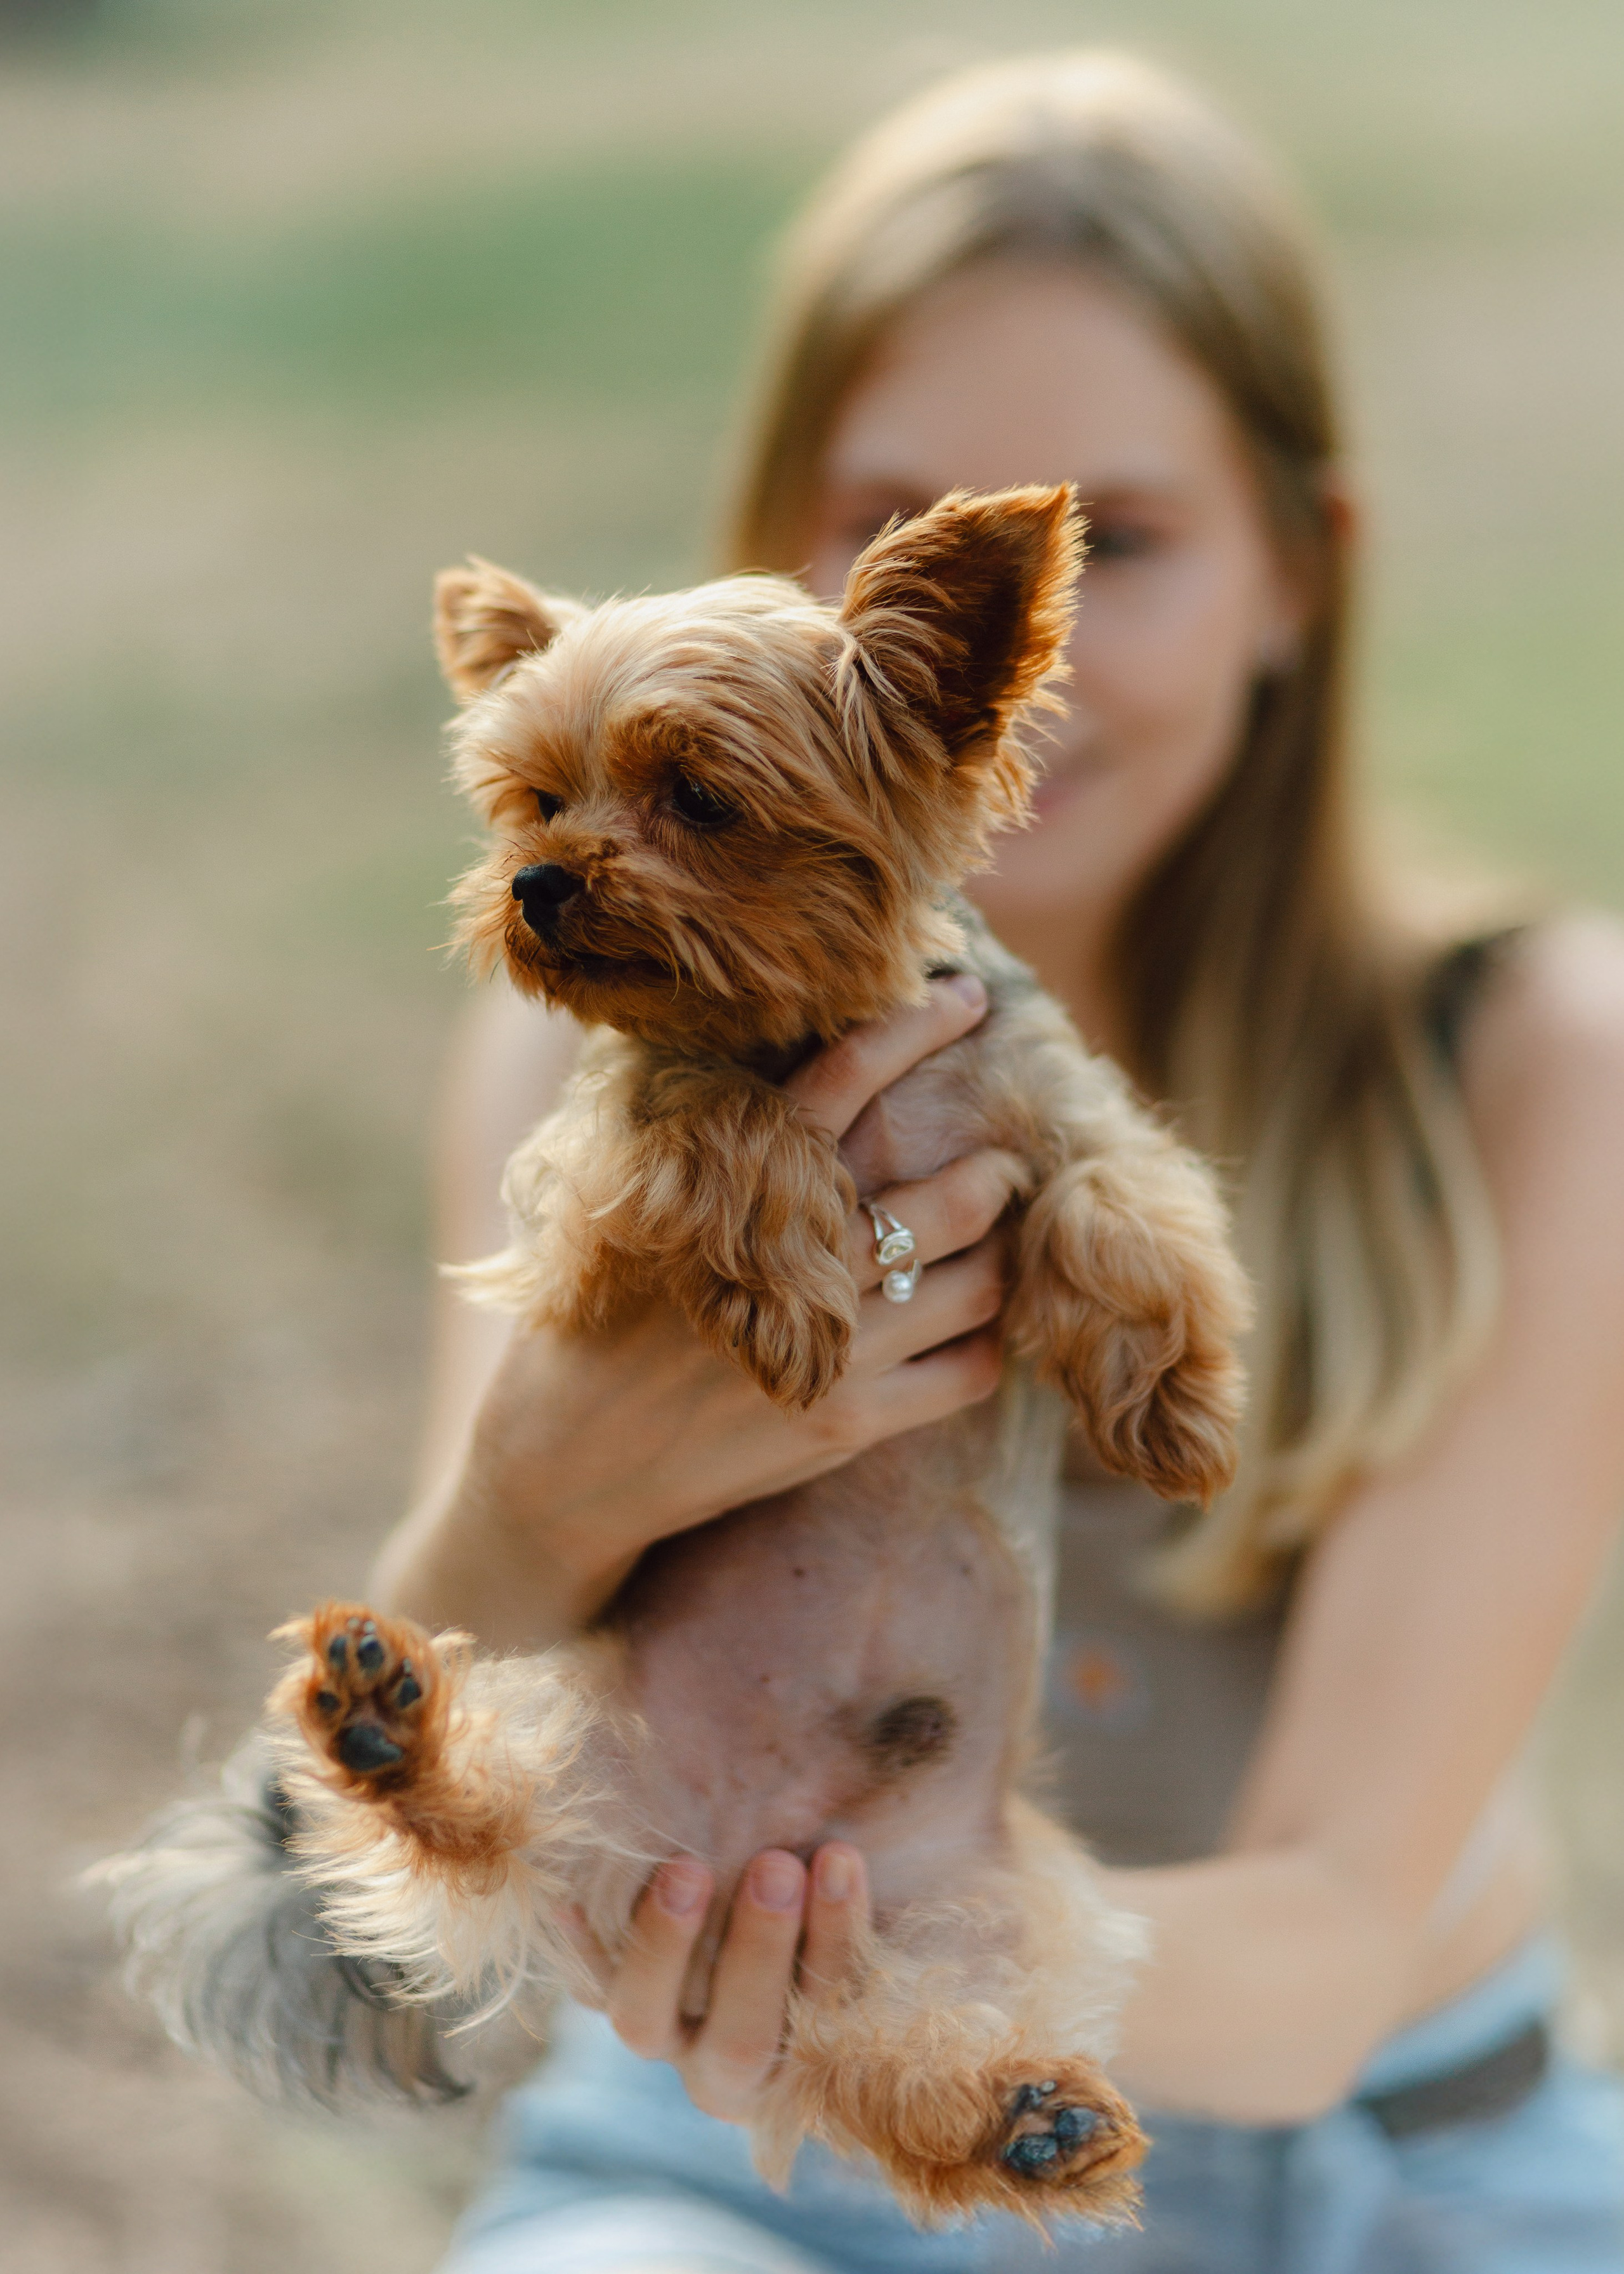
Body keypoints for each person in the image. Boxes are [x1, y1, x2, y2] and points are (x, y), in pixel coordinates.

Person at [372, 51, 1624, 2274]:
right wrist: (544, 1492)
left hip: (1388, 2159)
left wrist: (881, 1962)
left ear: (1298, 575)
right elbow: (450, 1695)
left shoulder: (1533, 1064)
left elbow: (1330, 1955)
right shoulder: (582, 1050)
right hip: (737, 2151)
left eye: (1122, 542)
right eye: (869, 521)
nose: (999, 685)